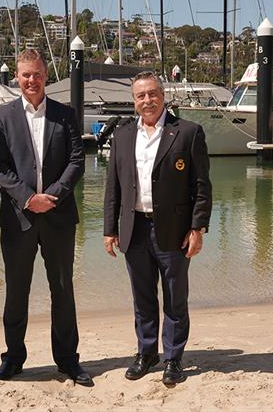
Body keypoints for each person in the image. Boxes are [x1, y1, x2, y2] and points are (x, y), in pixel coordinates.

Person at [0, 49, 91, 386]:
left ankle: (68, 361)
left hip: (59, 216)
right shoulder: (2, 117)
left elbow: (77, 160)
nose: (31, 80)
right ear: (16, 78)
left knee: (63, 289)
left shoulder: (65, 114)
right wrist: (29, 198)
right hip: (19, 217)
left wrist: (55, 196)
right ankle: (13, 359)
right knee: (17, 290)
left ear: (46, 75)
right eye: (25, 75)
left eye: (36, 74)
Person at [103, 71, 212, 387]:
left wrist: (198, 228)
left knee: (175, 298)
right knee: (142, 297)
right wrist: (110, 229)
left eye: (153, 94)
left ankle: (173, 358)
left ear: (163, 96)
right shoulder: (123, 136)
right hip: (133, 228)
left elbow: (201, 186)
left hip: (174, 231)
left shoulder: (188, 132)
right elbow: (114, 188)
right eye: (141, 96)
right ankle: (146, 352)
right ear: (134, 100)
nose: (147, 100)